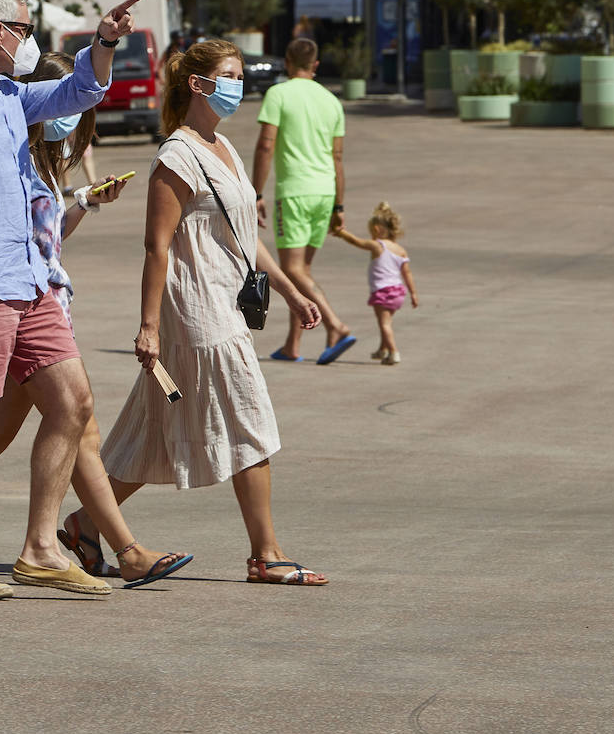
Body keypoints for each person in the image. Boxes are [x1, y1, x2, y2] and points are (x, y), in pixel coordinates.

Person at [0, 51, 192, 589]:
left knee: (54, 416)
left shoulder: (38, 159)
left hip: (39, 297)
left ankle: (38, 546)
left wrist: (84, 201)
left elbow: (44, 240)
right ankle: (101, 544)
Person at [96, 38, 331, 587]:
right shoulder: (177, 154)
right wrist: (148, 326)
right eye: (229, 74)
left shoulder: (221, 146)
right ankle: (266, 555)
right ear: (199, 84)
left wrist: (294, 293)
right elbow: (157, 247)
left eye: (240, 73)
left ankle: (84, 525)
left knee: (156, 431)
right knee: (250, 420)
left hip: (223, 300)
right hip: (197, 311)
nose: (239, 84)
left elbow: (243, 238)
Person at [252, 37, 356, 366]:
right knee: (303, 271)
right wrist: (339, 206)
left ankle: (336, 325)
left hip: (295, 191)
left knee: (292, 269)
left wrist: (255, 192)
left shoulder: (278, 94)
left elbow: (266, 146)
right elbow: (338, 158)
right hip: (325, 191)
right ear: (316, 65)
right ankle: (292, 344)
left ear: (286, 61)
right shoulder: (331, 101)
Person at [330, 202, 418, 365]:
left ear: (377, 229)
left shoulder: (378, 245)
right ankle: (383, 349)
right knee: (387, 323)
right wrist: (413, 293)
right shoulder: (400, 249)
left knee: (384, 324)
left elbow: (356, 242)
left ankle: (394, 352)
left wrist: (341, 233)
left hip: (383, 291)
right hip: (398, 292)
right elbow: (407, 273)